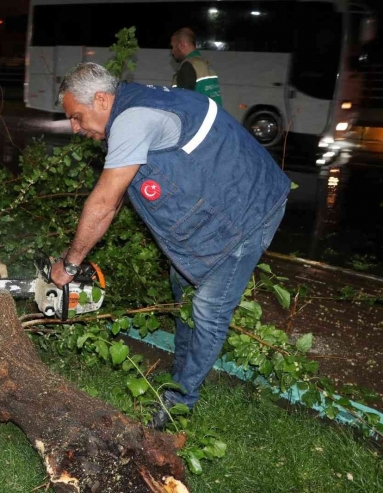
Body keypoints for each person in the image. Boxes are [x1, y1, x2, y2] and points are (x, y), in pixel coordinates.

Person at [52, 63, 290, 429]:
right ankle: (180, 369)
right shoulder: (132, 107)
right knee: (182, 291)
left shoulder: (132, 120)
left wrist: (69, 265)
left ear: (101, 99)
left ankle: (178, 405)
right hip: (220, 200)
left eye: (77, 117)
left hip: (248, 211)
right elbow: (114, 202)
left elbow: (103, 204)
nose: (75, 127)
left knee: (209, 312)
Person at [170, 28, 222, 105]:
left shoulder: (188, 66)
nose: (172, 51)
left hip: (199, 116)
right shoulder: (203, 63)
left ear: (182, 45)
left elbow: (183, 103)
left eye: (173, 47)